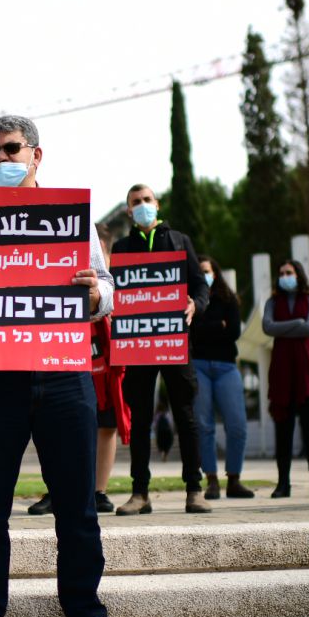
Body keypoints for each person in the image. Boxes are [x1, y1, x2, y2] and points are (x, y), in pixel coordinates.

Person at [0, 114, 125, 617]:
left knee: (77, 506)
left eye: (10, 150)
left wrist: (94, 296)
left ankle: (85, 613)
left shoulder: (73, 221)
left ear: (37, 156)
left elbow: (106, 288)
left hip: (64, 375)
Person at [113, 184, 211, 515]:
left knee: (185, 415)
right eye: (135, 203)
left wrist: (195, 305)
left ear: (157, 204)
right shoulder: (121, 248)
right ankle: (139, 493)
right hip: (138, 345)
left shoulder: (180, 241)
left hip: (174, 341)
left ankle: (194, 490)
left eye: (146, 201)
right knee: (140, 419)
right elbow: (114, 293)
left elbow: (199, 285)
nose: (142, 206)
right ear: (129, 211)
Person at [29, 224, 130, 515]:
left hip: (103, 362)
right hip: (62, 351)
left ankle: (99, 491)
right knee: (55, 425)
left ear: (105, 254)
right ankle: (56, 489)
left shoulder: (110, 290)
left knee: (106, 423)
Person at [191, 256, 253, 499]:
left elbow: (235, 331)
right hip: (199, 366)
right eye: (199, 271)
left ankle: (234, 479)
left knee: (237, 425)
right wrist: (220, 326)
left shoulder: (229, 298)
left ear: (215, 272)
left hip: (227, 367)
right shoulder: (191, 299)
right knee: (205, 426)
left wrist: (206, 326)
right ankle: (212, 480)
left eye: (206, 270)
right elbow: (192, 333)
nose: (203, 274)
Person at [263, 259, 309, 498]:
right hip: (281, 370)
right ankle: (283, 483)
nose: (284, 276)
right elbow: (267, 326)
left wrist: (285, 327)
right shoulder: (271, 302)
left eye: (288, 272)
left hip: (305, 370)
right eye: (281, 273)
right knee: (283, 430)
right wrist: (296, 323)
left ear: (298, 275)